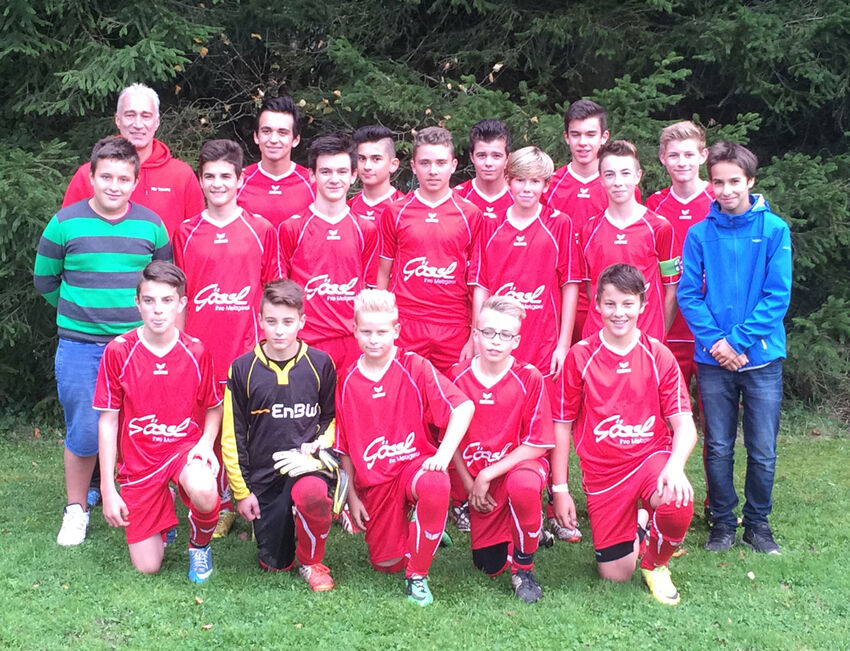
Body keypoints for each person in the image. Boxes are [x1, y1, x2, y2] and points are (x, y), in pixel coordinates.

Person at [34, 136, 171, 547]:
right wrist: (82, 312)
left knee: (145, 428)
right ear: (91, 177)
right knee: (84, 431)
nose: (114, 185)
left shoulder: (151, 225)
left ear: (135, 182)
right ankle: (76, 510)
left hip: (137, 348)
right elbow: (45, 281)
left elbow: (163, 284)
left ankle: (147, 505)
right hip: (81, 347)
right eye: (106, 176)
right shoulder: (64, 223)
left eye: (123, 178)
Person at [552, 263, 696, 606]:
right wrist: (560, 489)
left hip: (649, 460)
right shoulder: (580, 356)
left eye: (628, 304)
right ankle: (641, 523)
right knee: (615, 575)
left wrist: (675, 467)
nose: (619, 313)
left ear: (643, 305)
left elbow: (685, 425)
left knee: (676, 499)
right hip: (604, 474)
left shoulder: (658, 354)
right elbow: (561, 424)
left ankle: (656, 564)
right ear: (597, 305)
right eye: (611, 304)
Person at [677, 141, 791, 555]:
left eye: (734, 182)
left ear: (751, 181)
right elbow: (689, 294)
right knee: (718, 446)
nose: (726, 190)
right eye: (718, 182)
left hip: (761, 359)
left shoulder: (774, 230)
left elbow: (777, 296)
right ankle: (722, 523)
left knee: (762, 449)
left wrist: (737, 342)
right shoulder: (699, 234)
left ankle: (758, 525)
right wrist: (717, 343)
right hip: (713, 360)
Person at [470, 145, 582, 543]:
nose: (527, 188)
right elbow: (481, 284)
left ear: (546, 184)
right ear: (508, 181)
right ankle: (494, 499)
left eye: (536, 181)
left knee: (544, 425)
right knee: (499, 421)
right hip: (498, 344)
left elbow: (570, 285)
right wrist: (477, 335)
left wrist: (563, 343)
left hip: (542, 342)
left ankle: (553, 504)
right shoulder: (490, 223)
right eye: (520, 180)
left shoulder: (559, 223)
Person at [335, 289, 474, 606]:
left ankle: (418, 576)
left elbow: (463, 407)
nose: (374, 339)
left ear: (396, 330)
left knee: (435, 483)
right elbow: (344, 449)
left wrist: (442, 455)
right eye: (366, 331)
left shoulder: (415, 366)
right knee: (386, 564)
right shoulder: (346, 380)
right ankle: (424, 528)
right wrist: (352, 498)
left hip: (413, 468)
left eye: (382, 332)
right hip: (376, 482)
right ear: (354, 330)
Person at [172, 139, 279, 538]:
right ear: (200, 180)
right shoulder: (186, 232)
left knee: (253, 429)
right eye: (209, 176)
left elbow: (273, 292)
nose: (217, 184)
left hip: (246, 349)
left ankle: (252, 500)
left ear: (239, 179)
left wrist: (269, 344)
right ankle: (217, 505)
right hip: (201, 351)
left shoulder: (260, 229)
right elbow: (179, 295)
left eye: (225, 176)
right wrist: (180, 347)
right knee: (207, 431)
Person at [94, 261, 222, 582]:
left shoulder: (196, 351)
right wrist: (108, 488)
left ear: (182, 304)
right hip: (139, 461)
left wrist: (206, 444)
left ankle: (199, 546)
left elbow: (214, 407)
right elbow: (108, 421)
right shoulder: (118, 351)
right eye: (149, 300)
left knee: (205, 489)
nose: (158, 310)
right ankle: (163, 512)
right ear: (137, 303)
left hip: (182, 450)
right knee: (147, 566)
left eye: (167, 300)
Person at [221, 280, 338, 590]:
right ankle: (282, 529)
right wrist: (242, 492)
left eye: (288, 322)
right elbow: (232, 436)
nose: (279, 330)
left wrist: (319, 451)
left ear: (302, 321)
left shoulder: (320, 364)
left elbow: (331, 419)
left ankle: (312, 562)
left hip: (307, 468)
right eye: (271, 321)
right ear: (260, 320)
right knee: (274, 565)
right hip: (264, 477)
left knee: (312, 493)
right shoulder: (242, 369)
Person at [448, 296, 554, 603]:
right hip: (481, 485)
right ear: (475, 334)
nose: (496, 341)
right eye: (488, 332)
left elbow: (537, 443)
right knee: (488, 565)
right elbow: (449, 440)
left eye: (505, 335)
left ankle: (524, 570)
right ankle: (529, 529)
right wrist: (470, 484)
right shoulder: (456, 376)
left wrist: (487, 474)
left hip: (518, 469)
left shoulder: (529, 377)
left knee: (523, 486)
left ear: (516, 341)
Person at [377, 126, 482, 372]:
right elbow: (382, 273)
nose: (433, 170)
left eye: (441, 163)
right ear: (414, 166)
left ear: (453, 165)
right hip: (406, 323)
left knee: (453, 393)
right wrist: (381, 325)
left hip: (453, 326)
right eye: (425, 163)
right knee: (405, 391)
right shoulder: (395, 211)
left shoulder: (470, 214)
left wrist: (474, 335)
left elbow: (478, 282)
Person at [279, 133, 379, 373]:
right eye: (325, 171)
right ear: (312, 175)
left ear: (353, 175)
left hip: (353, 344)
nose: (334, 179)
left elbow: (369, 290)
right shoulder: (292, 228)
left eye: (342, 171)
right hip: (305, 344)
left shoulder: (366, 229)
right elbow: (280, 293)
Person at [62, 83, 204, 237]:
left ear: (156, 122)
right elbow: (67, 232)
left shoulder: (182, 176)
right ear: (118, 120)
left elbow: (197, 236)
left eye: (146, 116)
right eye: (130, 115)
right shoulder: (89, 174)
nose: (138, 124)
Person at [580, 140, 679, 342]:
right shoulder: (589, 229)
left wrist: (658, 334)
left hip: (646, 336)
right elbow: (591, 287)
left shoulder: (660, 227)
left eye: (625, 173)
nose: (618, 182)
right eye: (610, 174)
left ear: (638, 176)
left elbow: (672, 287)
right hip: (598, 338)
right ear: (601, 179)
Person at [645, 121, 713, 387]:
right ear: (663, 158)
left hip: (710, 326)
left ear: (703, 156)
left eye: (689, 154)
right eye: (674, 155)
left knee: (715, 408)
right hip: (669, 325)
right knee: (668, 403)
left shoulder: (719, 199)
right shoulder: (654, 204)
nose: (682, 162)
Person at [237, 96, 315, 227]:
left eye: (282, 132)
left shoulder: (313, 183)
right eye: (266, 131)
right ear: (256, 137)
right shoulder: (237, 181)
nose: (273, 139)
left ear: (295, 140)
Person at [453, 119, 514, 218]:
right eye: (481, 155)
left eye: (496, 156)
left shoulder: (521, 197)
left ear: (507, 159)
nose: (488, 163)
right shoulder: (456, 197)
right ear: (472, 157)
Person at [349, 125, 404, 224]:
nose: (367, 166)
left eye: (376, 159)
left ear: (393, 164)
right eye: (362, 158)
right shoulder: (348, 207)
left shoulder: (404, 208)